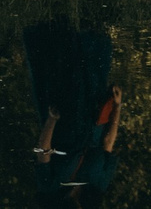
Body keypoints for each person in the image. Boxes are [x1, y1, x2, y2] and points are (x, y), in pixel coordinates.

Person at [24, 19, 121, 201]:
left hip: (65, 121)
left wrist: (51, 120)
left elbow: (44, 152)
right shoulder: (97, 187)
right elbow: (108, 142)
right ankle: (92, 18)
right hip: (94, 117)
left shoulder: (50, 189)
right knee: (93, 63)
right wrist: (117, 106)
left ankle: (54, 18)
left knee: (62, 68)